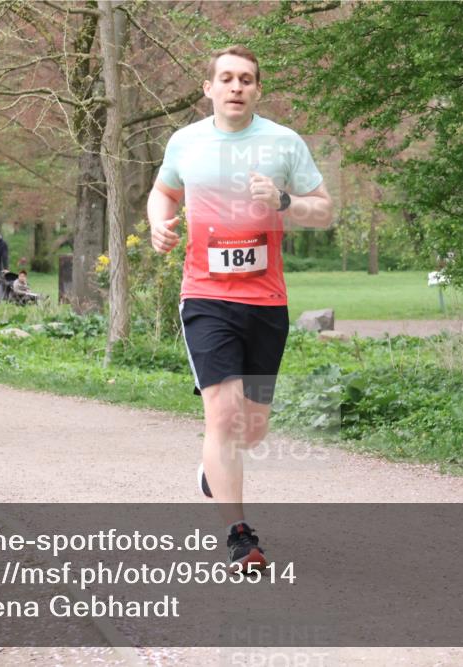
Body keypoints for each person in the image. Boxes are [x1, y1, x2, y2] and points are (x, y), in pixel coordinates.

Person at [147, 45, 333, 570]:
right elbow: (163, 193)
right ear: (208, 88)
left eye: (246, 79)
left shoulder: (283, 142)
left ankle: (215, 469)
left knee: (251, 429)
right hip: (205, 296)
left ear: (257, 90)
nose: (235, 87)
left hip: (266, 300)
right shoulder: (185, 143)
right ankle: (239, 535)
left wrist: (284, 202)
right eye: (225, 78)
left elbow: (323, 210)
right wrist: (160, 222)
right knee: (223, 416)